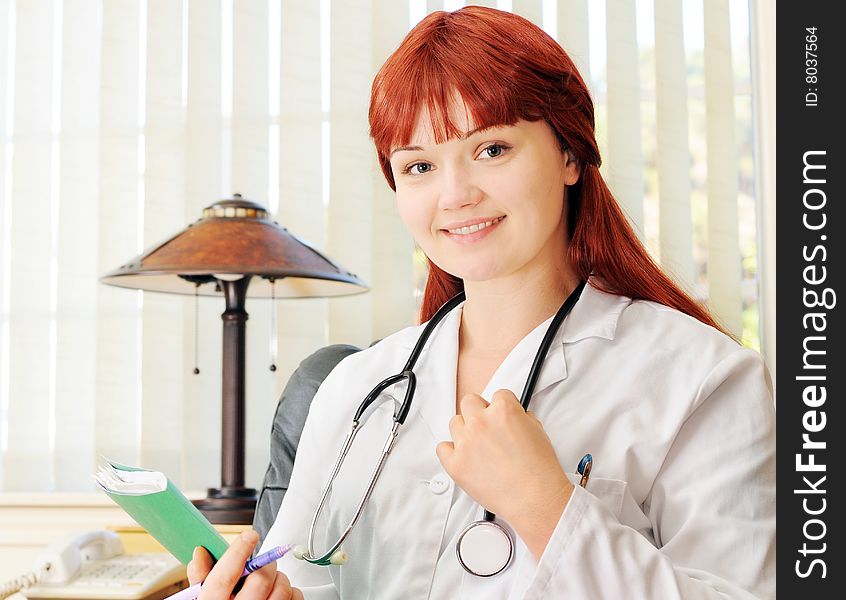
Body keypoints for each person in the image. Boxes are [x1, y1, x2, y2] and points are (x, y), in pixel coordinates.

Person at [188, 6, 775, 599]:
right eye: (418, 165)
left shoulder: (706, 380)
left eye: (492, 150)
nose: (455, 195)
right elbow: (303, 582)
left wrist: (547, 504)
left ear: (570, 156)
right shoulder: (357, 389)